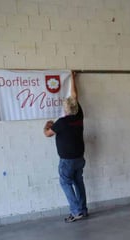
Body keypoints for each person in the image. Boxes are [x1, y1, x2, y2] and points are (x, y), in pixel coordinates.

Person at [43, 71, 88, 223]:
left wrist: (47, 125)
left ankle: (76, 211)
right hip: (79, 158)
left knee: (65, 183)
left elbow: (47, 134)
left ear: (66, 109)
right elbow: (74, 96)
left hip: (67, 160)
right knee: (78, 182)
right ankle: (83, 210)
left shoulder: (61, 123)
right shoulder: (79, 116)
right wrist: (73, 78)